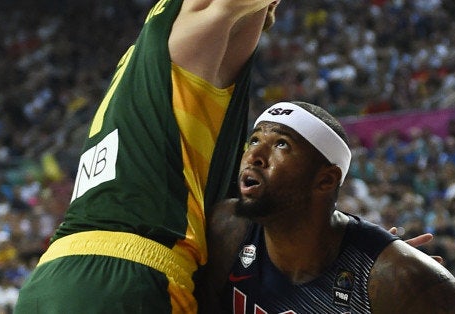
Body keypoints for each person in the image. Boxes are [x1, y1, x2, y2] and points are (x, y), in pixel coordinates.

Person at [15, 0, 281, 313]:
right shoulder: (175, 35)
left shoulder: (158, 66)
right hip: (128, 278)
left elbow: (241, 21)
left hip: (53, 277)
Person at [199, 101, 455, 313]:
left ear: (326, 179)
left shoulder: (402, 282)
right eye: (255, 140)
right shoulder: (226, 230)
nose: (254, 156)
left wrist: (391, 272)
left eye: (281, 144)